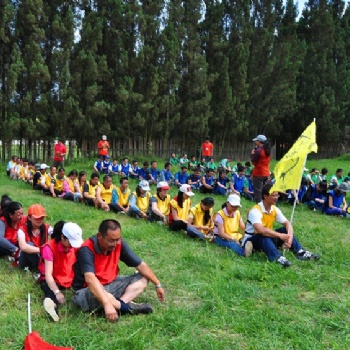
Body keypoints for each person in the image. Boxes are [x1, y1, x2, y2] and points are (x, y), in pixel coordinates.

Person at [73, 219, 165, 322]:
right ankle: (127, 309)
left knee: (144, 277)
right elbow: (90, 280)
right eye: (111, 240)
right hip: (86, 292)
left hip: (110, 284)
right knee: (101, 291)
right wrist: (107, 303)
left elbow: (140, 264)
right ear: (99, 236)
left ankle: (120, 305)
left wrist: (157, 284)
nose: (115, 243)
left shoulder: (119, 244)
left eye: (118, 239)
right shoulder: (86, 250)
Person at [244, 184, 320, 267]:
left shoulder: (274, 209)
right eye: (273, 195)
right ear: (265, 196)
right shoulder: (255, 211)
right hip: (253, 239)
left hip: (268, 237)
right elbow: (260, 230)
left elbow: (288, 224)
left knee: (284, 229)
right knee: (263, 235)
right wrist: (279, 235)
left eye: (277, 195)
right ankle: (277, 258)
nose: (276, 197)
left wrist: (289, 238)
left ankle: (300, 252)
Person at [39, 221, 83, 322]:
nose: (73, 246)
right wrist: (57, 292)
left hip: (69, 277)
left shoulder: (74, 246)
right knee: (50, 292)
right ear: (62, 237)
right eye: (71, 243)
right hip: (53, 279)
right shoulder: (49, 248)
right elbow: (48, 275)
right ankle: (52, 306)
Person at [18, 204, 52, 271]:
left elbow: (57, 234)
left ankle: (42, 266)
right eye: (37, 218)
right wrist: (43, 250)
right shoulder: (22, 230)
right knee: (29, 244)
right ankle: (42, 267)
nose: (39, 220)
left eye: (42, 217)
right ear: (29, 218)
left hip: (41, 257)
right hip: (25, 261)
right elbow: (23, 247)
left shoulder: (47, 227)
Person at [251, 135, 271, 203]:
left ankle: (259, 206)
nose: (256, 142)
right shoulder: (267, 150)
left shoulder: (259, 150)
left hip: (258, 173)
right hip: (266, 172)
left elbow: (254, 162)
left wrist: (252, 154)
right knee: (265, 190)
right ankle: (266, 203)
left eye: (256, 141)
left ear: (259, 141)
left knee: (258, 192)